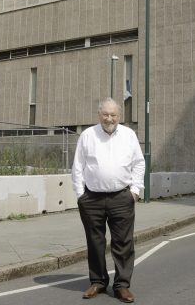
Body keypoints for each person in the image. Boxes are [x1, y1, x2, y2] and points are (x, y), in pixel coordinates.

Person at [72, 98, 145, 303]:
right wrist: (80, 195)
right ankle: (98, 282)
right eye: (105, 114)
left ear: (119, 116)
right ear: (99, 115)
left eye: (113, 115)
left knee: (123, 243)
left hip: (122, 197)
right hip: (92, 198)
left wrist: (135, 191)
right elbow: (78, 166)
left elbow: (139, 163)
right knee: (95, 242)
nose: (109, 118)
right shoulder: (88, 135)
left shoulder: (129, 135)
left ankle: (122, 285)